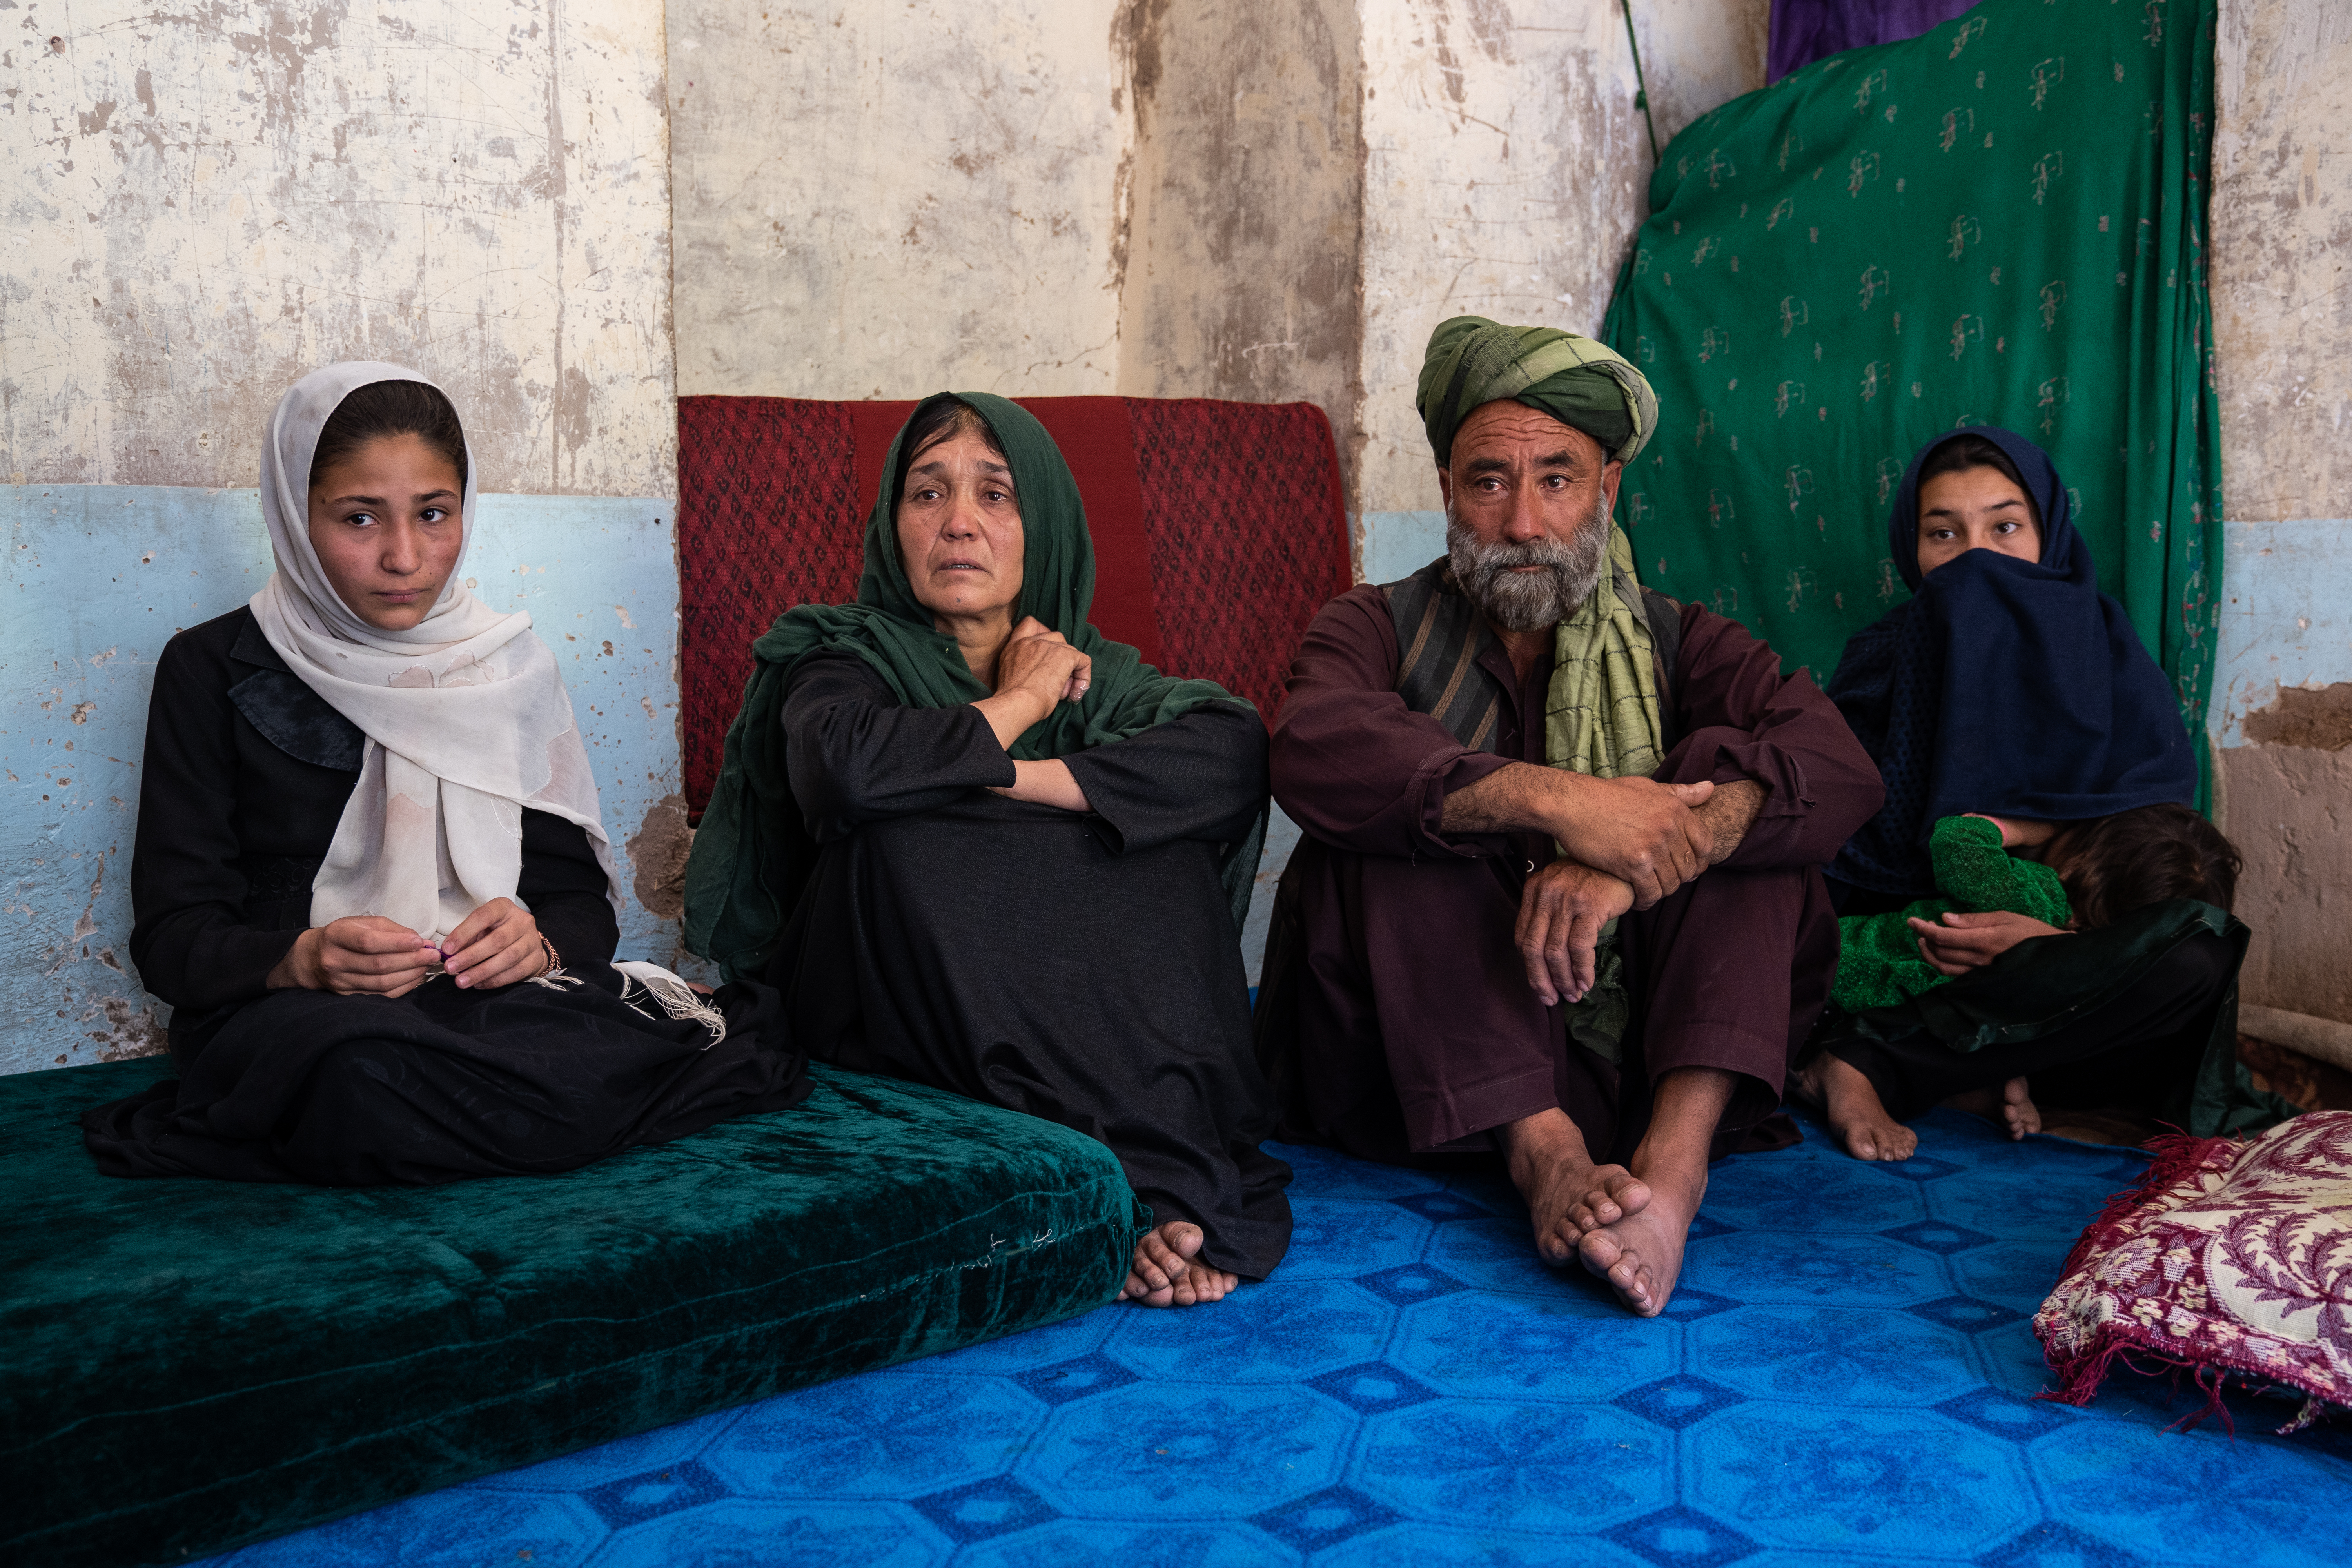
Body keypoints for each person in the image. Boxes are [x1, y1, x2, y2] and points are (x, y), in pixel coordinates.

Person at [1253, 317, 1883, 1318]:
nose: (1522, 522)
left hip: (1640, 1046)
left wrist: (1640, 856)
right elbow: (1314, 743)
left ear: (1608, 489)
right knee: (1418, 804)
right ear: (1449, 492)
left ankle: (1670, 1178)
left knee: (1740, 798)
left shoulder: (1681, 640)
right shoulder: (1370, 623)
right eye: (1488, 481)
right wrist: (1563, 803)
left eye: (1556, 477)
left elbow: (1837, 764)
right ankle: (1543, 1152)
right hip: (1423, 1059)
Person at [84, 364, 808, 1184]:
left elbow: (578, 907)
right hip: (304, 1018)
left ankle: (480, 1109)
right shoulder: (211, 668)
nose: (405, 556)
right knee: (352, 1069)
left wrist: (534, 945)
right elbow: (175, 941)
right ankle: (538, 1112)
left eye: (434, 514)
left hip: (488, 1007)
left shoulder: (508, 669)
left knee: (710, 1033)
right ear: (292, 511)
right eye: (359, 518)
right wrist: (309, 960)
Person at [682, 392, 1291, 1308]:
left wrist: (1009, 777)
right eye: (927, 493)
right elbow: (844, 773)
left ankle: (1124, 1171)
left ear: (1040, 523)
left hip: (1035, 1008)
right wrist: (1022, 709)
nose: (959, 522)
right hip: (882, 1000)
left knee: (1158, 844)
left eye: (996, 495)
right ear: (893, 525)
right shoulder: (843, 651)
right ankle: (1122, 1178)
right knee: (906, 835)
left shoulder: (1099, 672)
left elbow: (1233, 751)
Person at [1798, 428, 2288, 1158]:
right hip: (1913, 984)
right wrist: (1939, 931)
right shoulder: (1882, 661)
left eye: (2004, 527)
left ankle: (1921, 1073)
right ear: (1912, 550)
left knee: (2199, 953)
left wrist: (2057, 949)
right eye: (1944, 534)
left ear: (2049, 533)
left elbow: (2167, 878)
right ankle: (1864, 1061)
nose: (1977, 559)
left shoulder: (2110, 658)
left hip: (2076, 1015)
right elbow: (1833, 856)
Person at [1833, 805, 2241, 1018]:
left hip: (1851, 966)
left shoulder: (2031, 894)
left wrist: (2032, 828)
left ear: (2081, 861)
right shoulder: (2079, 978)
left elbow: (1956, 837)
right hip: (1903, 1015)